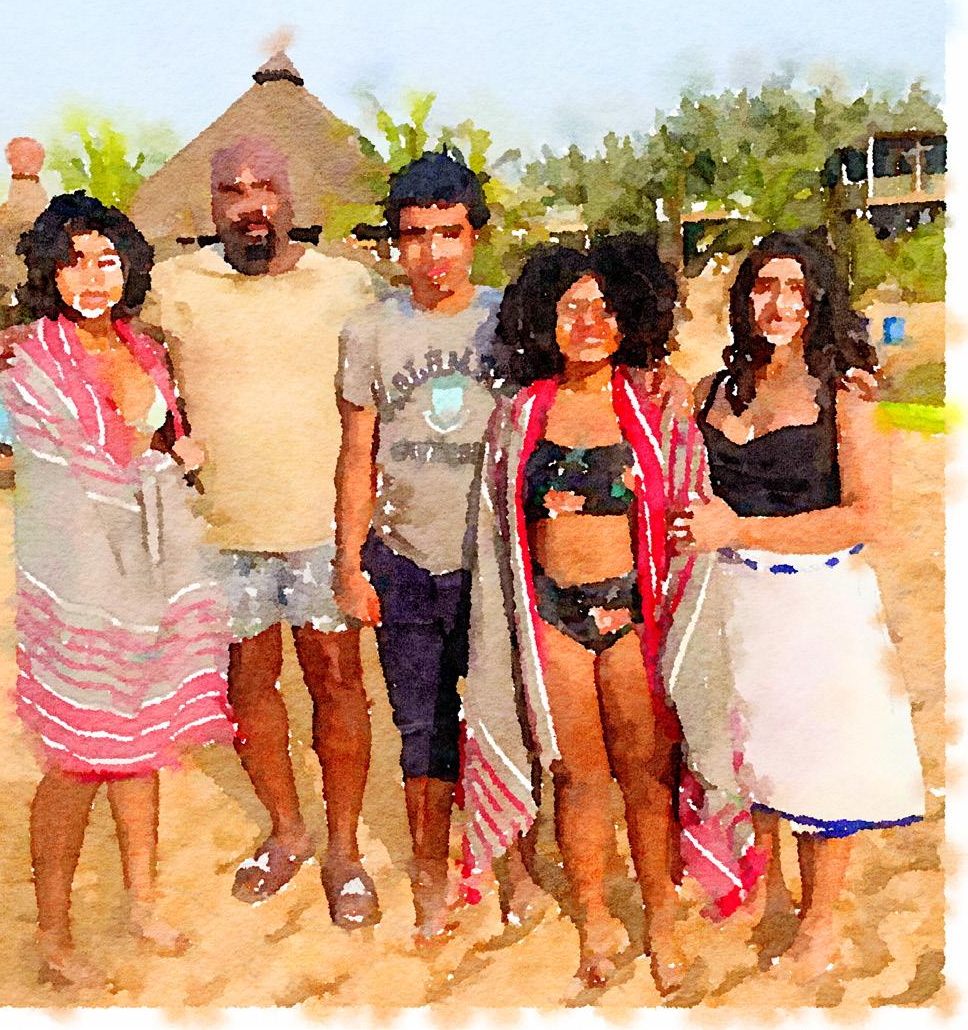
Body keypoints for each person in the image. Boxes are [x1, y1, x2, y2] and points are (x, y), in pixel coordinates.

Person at [667, 231, 926, 982]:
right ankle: (766, 888)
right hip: (728, 596)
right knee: (747, 753)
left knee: (820, 760)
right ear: (744, 297)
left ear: (817, 301)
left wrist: (739, 529)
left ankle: (819, 921)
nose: (778, 304)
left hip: (817, 601)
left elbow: (865, 515)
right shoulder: (710, 392)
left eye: (795, 289)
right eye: (764, 286)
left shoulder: (844, 392)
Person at [0, 192, 235, 986]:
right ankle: (53, 933)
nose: (92, 277)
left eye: (106, 259)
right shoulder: (36, 362)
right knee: (75, 759)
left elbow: (159, 439)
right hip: (78, 583)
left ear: (129, 267)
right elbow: (64, 477)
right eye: (73, 262)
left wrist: (177, 453)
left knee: (140, 745)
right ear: (50, 273)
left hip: (150, 575)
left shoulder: (143, 347)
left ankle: (141, 898)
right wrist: (153, 467)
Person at [141, 139, 379, 929]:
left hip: (323, 528)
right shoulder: (175, 287)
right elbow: (112, 349)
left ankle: (343, 850)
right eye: (232, 190)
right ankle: (287, 833)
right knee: (249, 687)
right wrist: (20, 339)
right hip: (223, 531)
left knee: (337, 683)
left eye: (264, 186)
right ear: (211, 205)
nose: (250, 204)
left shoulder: (346, 285)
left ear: (289, 197)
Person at [459, 241, 705, 991]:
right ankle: (595, 915)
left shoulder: (656, 410)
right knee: (577, 776)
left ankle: (662, 918)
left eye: (605, 308)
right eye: (572, 308)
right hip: (553, 620)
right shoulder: (519, 416)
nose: (590, 322)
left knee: (647, 776)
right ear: (546, 320)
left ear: (631, 318)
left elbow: (690, 513)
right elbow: (500, 530)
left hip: (634, 614)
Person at [334, 151, 532, 942]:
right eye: (416, 235)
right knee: (422, 725)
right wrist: (350, 562)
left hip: (496, 558)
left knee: (508, 713)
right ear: (397, 243)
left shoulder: (511, 320)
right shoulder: (369, 330)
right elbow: (357, 452)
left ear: (475, 236)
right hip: (406, 555)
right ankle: (428, 871)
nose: (433, 252)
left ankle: (517, 862)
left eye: (449, 233)